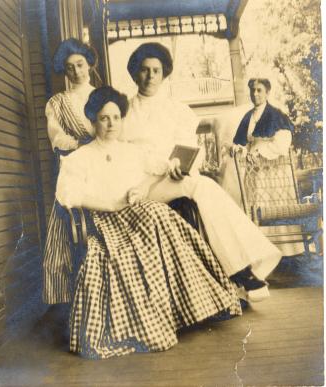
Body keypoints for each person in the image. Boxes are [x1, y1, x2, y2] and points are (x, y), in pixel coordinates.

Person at [56, 86, 242, 359]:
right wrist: (110, 204)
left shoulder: (131, 151)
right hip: (106, 221)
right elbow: (69, 195)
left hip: (138, 212)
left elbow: (162, 168)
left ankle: (189, 308)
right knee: (155, 215)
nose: (111, 124)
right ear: (93, 119)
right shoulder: (80, 158)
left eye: (116, 117)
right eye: (104, 118)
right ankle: (155, 320)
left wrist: (141, 187)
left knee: (158, 213)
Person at [120, 43, 283, 302]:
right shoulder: (124, 112)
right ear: (134, 73)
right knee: (202, 188)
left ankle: (242, 269)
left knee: (202, 186)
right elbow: (124, 154)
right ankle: (242, 271)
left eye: (156, 70)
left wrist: (180, 166)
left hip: (170, 179)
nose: (150, 76)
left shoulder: (176, 109)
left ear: (164, 74)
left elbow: (188, 148)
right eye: (144, 70)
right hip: (138, 184)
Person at [42, 38, 97, 304]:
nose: (76, 72)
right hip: (75, 167)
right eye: (69, 67)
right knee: (71, 231)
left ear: (89, 65)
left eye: (80, 64)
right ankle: (71, 297)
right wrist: (82, 144)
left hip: (104, 167)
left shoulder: (104, 96)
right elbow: (58, 139)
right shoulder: (57, 103)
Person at [230, 78, 301, 256]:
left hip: (273, 170)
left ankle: (285, 251)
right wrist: (239, 149)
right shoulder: (248, 116)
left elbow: (282, 143)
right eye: (253, 90)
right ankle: (262, 254)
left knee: (273, 206)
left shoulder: (276, 115)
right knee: (253, 208)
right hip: (253, 171)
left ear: (267, 93)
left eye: (259, 90)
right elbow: (242, 143)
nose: (255, 94)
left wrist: (260, 153)